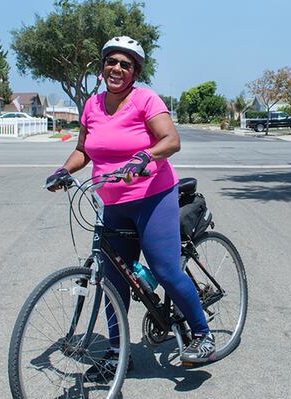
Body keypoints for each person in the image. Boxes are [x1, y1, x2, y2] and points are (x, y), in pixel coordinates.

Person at [45, 36, 214, 381]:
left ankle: (202, 334)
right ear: (103, 66)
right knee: (113, 281)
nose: (117, 69)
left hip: (152, 196)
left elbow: (171, 140)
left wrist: (145, 156)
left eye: (125, 64)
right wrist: (64, 169)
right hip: (113, 203)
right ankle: (116, 353)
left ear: (135, 71)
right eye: (112, 62)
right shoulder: (92, 106)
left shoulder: (145, 100)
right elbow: (85, 150)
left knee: (165, 270)